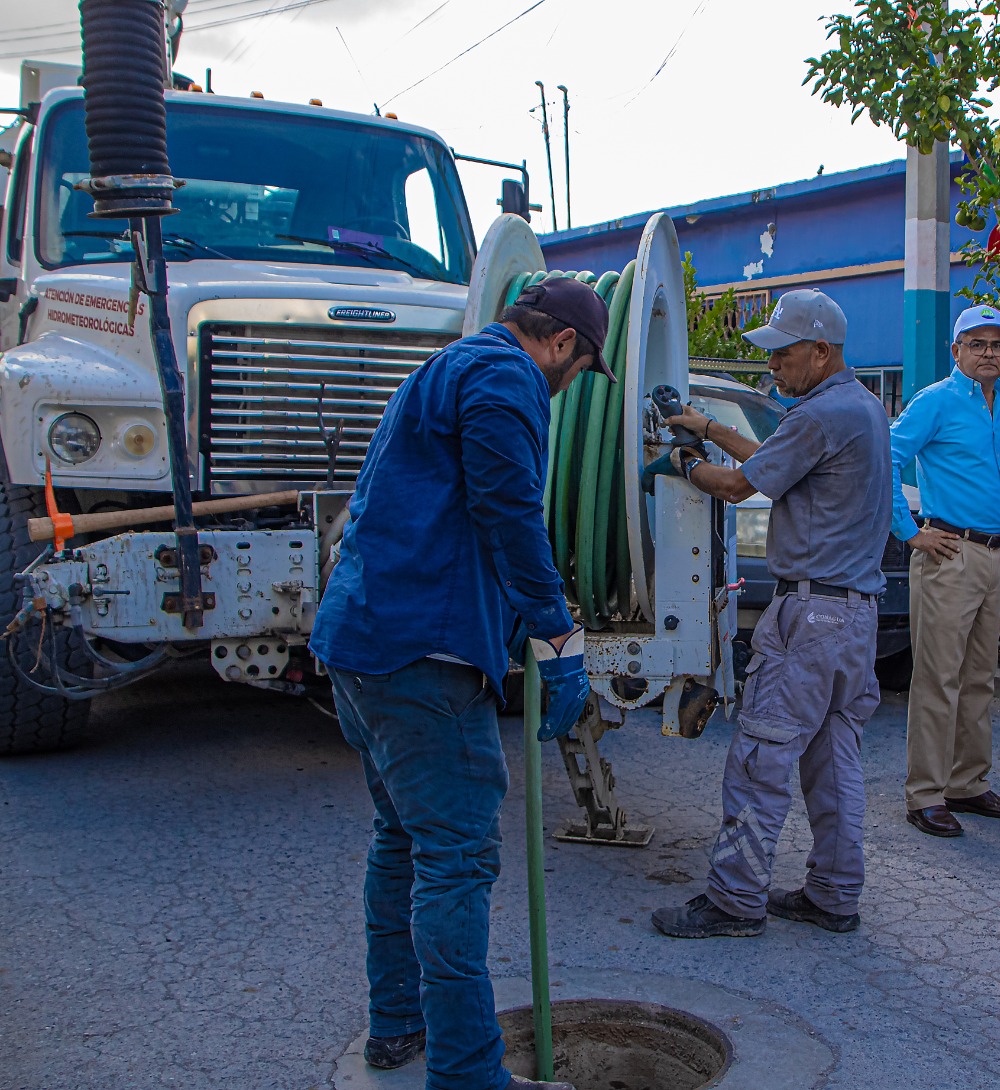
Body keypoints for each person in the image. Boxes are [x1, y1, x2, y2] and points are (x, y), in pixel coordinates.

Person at [310, 278, 612, 1090]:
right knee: (456, 854)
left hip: (360, 637)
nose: (571, 383)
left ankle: (400, 1027)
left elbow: (434, 508)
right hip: (421, 651)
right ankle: (470, 1071)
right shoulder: (508, 378)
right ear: (559, 344)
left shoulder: (444, 365)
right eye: (579, 369)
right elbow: (508, 507)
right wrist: (554, 628)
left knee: (403, 839)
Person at [650, 288, 891, 938]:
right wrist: (705, 426)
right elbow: (775, 461)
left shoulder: (819, 415)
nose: (773, 369)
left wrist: (685, 465)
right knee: (833, 762)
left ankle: (733, 902)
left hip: (808, 620)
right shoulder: (858, 407)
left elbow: (736, 485)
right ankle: (833, 895)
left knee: (761, 759)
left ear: (820, 351)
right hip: (853, 621)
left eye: (782, 356)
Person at [890, 304, 1000, 838]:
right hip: (950, 554)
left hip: (996, 557)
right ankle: (924, 794)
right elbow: (886, 454)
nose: (989, 353)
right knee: (937, 679)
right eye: (977, 344)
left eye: (997, 344)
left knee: (978, 678)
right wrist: (909, 531)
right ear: (957, 351)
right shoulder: (937, 402)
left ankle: (967, 784)